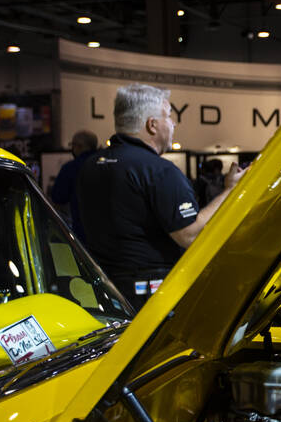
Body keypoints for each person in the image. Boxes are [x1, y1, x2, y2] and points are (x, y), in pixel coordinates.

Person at [78, 83, 243, 311]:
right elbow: (189, 235)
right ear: (152, 125)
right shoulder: (158, 171)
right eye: (168, 116)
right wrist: (230, 191)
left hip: (103, 293)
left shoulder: (90, 165)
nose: (173, 124)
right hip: (150, 298)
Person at [49, 130, 98, 241]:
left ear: (78, 146)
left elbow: (58, 197)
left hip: (82, 230)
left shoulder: (70, 168)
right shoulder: (105, 163)